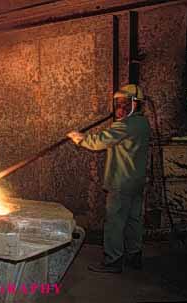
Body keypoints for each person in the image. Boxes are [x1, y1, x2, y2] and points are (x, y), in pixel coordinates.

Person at [67, 84, 151, 273]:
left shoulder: (125, 125)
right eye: (118, 104)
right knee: (133, 219)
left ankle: (113, 260)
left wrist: (79, 138)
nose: (120, 108)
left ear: (135, 104)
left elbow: (100, 142)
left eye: (124, 104)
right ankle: (134, 256)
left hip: (121, 182)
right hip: (137, 180)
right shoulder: (143, 123)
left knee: (115, 221)